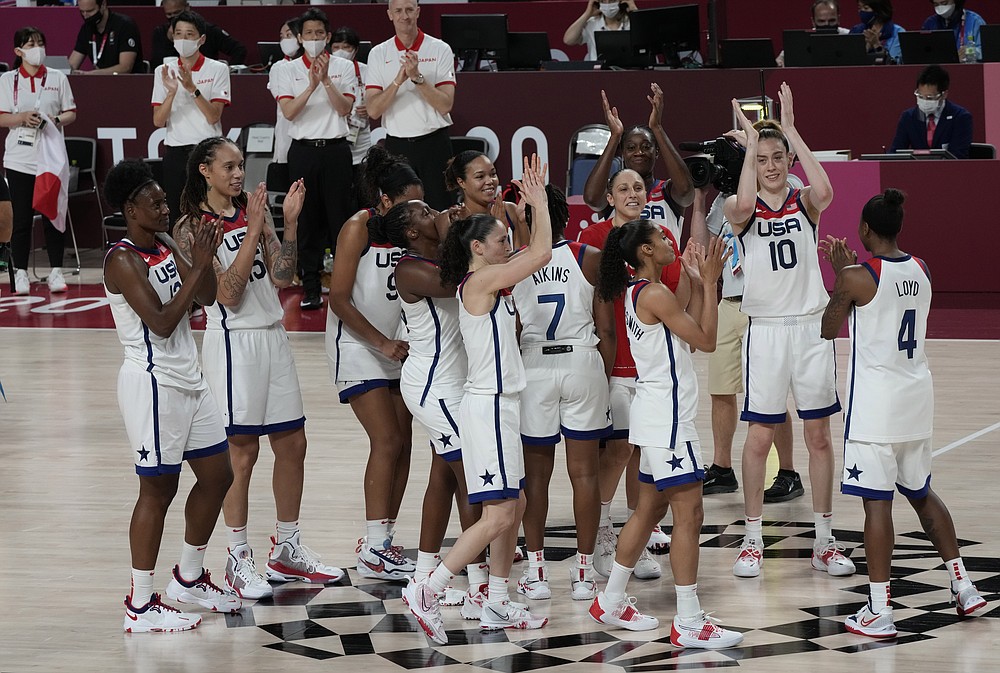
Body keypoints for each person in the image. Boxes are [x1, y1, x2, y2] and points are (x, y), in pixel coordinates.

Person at [173, 137, 344, 600]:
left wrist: (286, 224)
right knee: (241, 453)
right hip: (233, 342)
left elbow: (283, 275)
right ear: (204, 171)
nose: (237, 173)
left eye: (240, 165)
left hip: (272, 334)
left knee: (293, 441)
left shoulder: (254, 211)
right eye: (227, 166)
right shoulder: (191, 227)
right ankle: (237, 555)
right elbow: (225, 295)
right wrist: (252, 231)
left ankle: (286, 547)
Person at [819, 189, 988, 638]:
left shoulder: (857, 276)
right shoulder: (922, 268)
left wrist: (840, 274)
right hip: (916, 398)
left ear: (865, 230)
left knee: (877, 504)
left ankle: (879, 610)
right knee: (921, 492)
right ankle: (965, 587)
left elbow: (827, 327)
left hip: (876, 406)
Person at [402, 155, 551, 644]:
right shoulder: (481, 280)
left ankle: (498, 600)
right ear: (477, 247)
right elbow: (543, 253)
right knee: (501, 514)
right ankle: (430, 587)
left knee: (517, 501)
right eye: (501, 240)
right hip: (486, 406)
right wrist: (537, 203)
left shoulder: (489, 280)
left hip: (499, 404)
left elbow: (532, 255)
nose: (508, 245)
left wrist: (523, 216)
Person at [590, 220, 743, 650]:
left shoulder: (645, 292)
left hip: (654, 416)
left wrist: (697, 283)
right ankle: (689, 621)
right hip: (668, 421)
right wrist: (712, 284)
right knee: (690, 516)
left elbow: (687, 331)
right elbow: (708, 340)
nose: (667, 241)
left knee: (647, 511)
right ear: (643, 251)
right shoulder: (653, 293)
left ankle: (611, 599)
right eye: (659, 238)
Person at [102, 159, 240, 632]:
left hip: (189, 378)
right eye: (155, 203)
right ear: (129, 209)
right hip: (153, 384)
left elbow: (204, 297)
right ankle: (140, 604)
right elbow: (160, 324)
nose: (164, 209)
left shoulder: (162, 244)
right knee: (158, 489)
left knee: (218, 475)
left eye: (164, 201)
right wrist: (198, 264)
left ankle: (189, 576)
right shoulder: (120, 260)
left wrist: (203, 260)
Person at [724, 83, 855, 579]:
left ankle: (824, 539)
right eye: (763, 159)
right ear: (753, 164)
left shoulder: (804, 201)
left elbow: (827, 191)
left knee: (819, 435)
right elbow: (738, 201)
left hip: (810, 329)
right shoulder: (744, 210)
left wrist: (792, 129)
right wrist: (750, 146)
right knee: (759, 437)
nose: (772, 165)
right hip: (767, 332)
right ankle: (753, 538)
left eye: (778, 157)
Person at [379, 198, 490, 610]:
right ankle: (479, 584)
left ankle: (424, 572)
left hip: (450, 382)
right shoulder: (408, 267)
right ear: (411, 233)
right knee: (473, 482)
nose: (436, 213)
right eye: (426, 213)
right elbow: (461, 280)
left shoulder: (429, 258)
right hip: (435, 387)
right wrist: (453, 230)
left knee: (444, 476)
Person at [579, 168, 688, 575]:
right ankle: (603, 533)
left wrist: (694, 275)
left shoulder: (662, 238)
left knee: (641, 455)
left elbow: (677, 297)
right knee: (617, 452)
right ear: (609, 196)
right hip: (614, 365)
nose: (632, 193)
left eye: (638, 187)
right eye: (623, 188)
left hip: (652, 368)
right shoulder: (592, 240)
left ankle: (633, 537)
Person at [512, 184, 614, 602]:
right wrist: (600, 378)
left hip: (533, 365)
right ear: (565, 218)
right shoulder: (589, 258)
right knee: (585, 475)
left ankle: (536, 572)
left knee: (535, 478)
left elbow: (513, 328)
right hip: (581, 363)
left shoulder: (512, 263)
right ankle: (584, 574)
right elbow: (606, 329)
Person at [327, 146, 421, 582]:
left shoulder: (413, 228)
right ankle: (373, 545)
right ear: (384, 200)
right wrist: (382, 342)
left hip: (399, 347)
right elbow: (340, 299)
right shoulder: (357, 228)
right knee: (385, 439)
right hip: (360, 346)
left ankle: (384, 538)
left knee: (404, 442)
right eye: (409, 204)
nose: (417, 213)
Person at [690, 183, 801, 502]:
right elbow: (700, 246)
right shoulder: (725, 199)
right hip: (728, 301)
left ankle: (789, 473)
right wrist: (699, 201)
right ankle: (722, 468)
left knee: (770, 393)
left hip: (764, 307)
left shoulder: (779, 192)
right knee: (721, 389)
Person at [270, 8, 357, 310]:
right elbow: (290, 112)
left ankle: (347, 288)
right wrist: (310, 84)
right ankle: (310, 287)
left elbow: (345, 109)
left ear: (328, 36)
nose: (315, 39)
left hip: (336, 150)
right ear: (299, 38)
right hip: (303, 151)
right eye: (309, 34)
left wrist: (326, 82)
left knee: (340, 220)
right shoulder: (286, 70)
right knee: (306, 221)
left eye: (320, 33)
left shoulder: (344, 68)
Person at [0, 27, 77, 296]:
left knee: (53, 215)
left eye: (40, 43)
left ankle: (56, 270)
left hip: (51, 159)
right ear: (18, 51)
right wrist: (22, 118)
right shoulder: (7, 80)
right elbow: (1, 117)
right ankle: (20, 272)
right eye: (31, 44)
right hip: (19, 159)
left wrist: (55, 120)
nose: (37, 49)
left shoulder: (57, 78)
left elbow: (71, 113)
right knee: (19, 218)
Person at [365, 0, 456, 211]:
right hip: (397, 146)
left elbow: (445, 104)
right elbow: (373, 110)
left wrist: (417, 78)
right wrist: (398, 81)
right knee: (401, 213)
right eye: (398, 11)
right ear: (389, 14)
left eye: (409, 9)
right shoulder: (378, 53)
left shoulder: (440, 48)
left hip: (434, 144)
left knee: (441, 209)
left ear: (418, 12)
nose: (404, 16)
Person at [582, 85, 694, 245]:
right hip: (622, 270)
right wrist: (615, 137)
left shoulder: (668, 191)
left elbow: (686, 191)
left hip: (664, 269)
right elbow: (592, 199)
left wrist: (657, 128)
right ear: (623, 154)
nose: (639, 152)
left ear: (657, 152)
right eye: (631, 147)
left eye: (646, 146)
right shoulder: (614, 193)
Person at [152, 11, 231, 231]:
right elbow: (158, 121)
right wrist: (171, 93)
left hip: (207, 153)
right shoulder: (163, 71)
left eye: (189, 34)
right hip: (176, 153)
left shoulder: (217, 69)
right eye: (179, 34)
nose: (183, 40)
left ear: (201, 39)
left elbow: (214, 115)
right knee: (177, 217)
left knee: (210, 214)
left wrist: (192, 88)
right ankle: (180, 264)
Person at [888, 65, 972, 160]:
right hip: (916, 171)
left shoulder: (960, 117)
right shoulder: (908, 117)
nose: (924, 101)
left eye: (930, 97)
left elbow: (958, 155)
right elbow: (895, 153)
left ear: (944, 94)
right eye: (920, 96)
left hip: (948, 172)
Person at [330, 26, 372, 213]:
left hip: (361, 139)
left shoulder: (366, 70)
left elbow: (378, 98)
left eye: (346, 47)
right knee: (340, 196)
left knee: (364, 193)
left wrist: (370, 109)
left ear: (355, 49)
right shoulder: (325, 71)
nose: (340, 51)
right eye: (336, 46)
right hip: (336, 140)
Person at [151, 0, 247, 69]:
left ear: (187, 7)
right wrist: (169, 41)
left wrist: (228, 71)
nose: (174, 18)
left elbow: (239, 49)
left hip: (206, 79)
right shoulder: (160, 32)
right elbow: (157, 65)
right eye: (169, 14)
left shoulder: (208, 30)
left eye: (177, 13)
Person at [69, 0, 143, 75]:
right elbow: (72, 65)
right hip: (99, 83)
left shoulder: (125, 26)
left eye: (90, 11)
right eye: (82, 11)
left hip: (127, 83)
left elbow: (125, 68)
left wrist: (90, 74)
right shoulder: (87, 28)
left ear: (103, 5)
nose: (85, 16)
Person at [775, 1, 850, 67]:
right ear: (813, 22)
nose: (827, 24)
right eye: (821, 21)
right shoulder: (803, 39)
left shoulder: (849, 36)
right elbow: (781, 58)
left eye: (832, 20)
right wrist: (780, 62)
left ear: (838, 19)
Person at [269, 18, 302, 166]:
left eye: (289, 35)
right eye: (282, 37)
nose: (284, 40)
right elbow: (286, 105)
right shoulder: (279, 68)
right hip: (287, 137)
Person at [563, 0, 638, 62]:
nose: (607, 5)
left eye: (612, 1)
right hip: (598, 75)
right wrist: (587, 14)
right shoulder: (592, 23)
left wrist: (635, 11)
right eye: (603, 1)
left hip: (628, 73)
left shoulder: (632, 22)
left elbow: (647, 38)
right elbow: (568, 40)